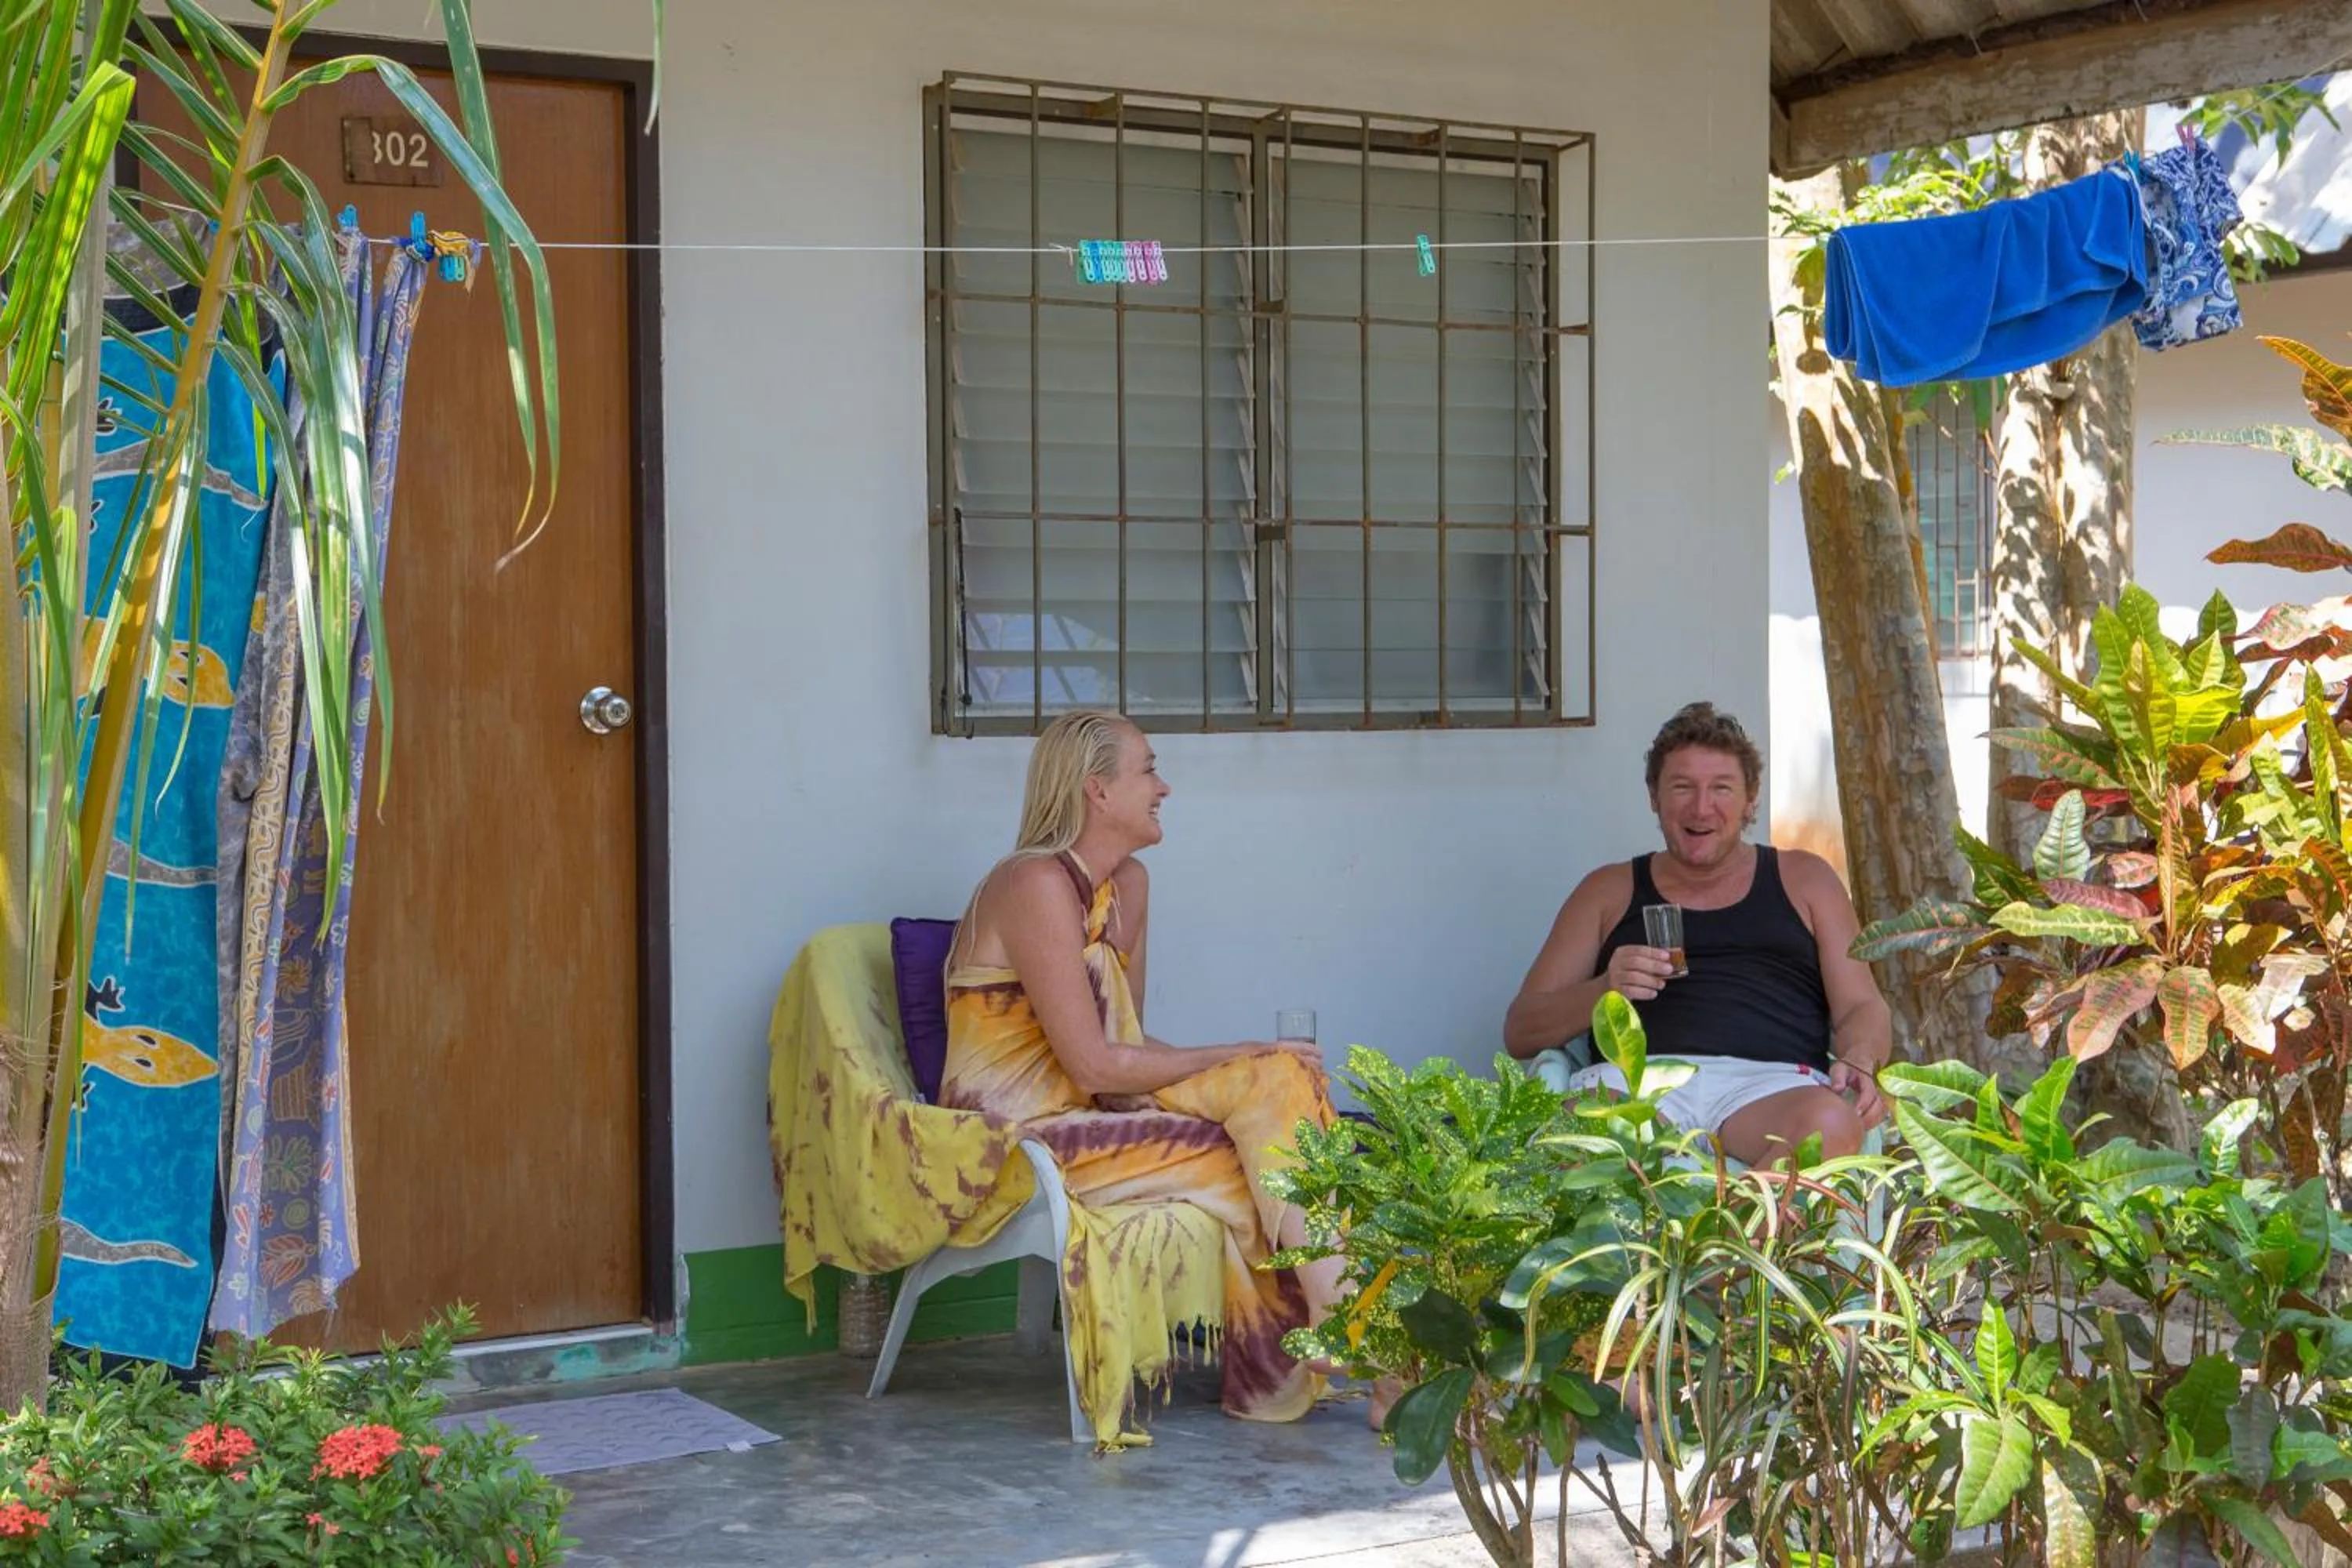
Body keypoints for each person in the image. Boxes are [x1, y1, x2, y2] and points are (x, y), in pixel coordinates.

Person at [940, 710, 1343, 1431]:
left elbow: (1129, 1052)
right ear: (1097, 791)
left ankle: (1342, 1328)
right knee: (1250, 1150)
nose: (1166, 787)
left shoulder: (1129, 887)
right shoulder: (1032, 882)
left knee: (1286, 1083)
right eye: (1149, 769)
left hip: (1099, 1115)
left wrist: (1259, 1064)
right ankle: (1332, 1347)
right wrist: (1232, 1054)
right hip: (1017, 1138)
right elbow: (1095, 1064)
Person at [1502, 702, 1892, 1163]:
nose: (1701, 807)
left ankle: (1734, 1229)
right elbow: (1521, 1030)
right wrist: (1604, 991)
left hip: (1772, 1088)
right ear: (1654, 797)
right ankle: (1704, 1224)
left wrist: (1860, 1057)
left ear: (1751, 799)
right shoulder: (1606, 891)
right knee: (1585, 1122)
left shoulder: (1806, 880)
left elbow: (1862, 1006)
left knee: (1831, 1124)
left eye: (1721, 788)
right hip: (1635, 1084)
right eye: (1682, 787)